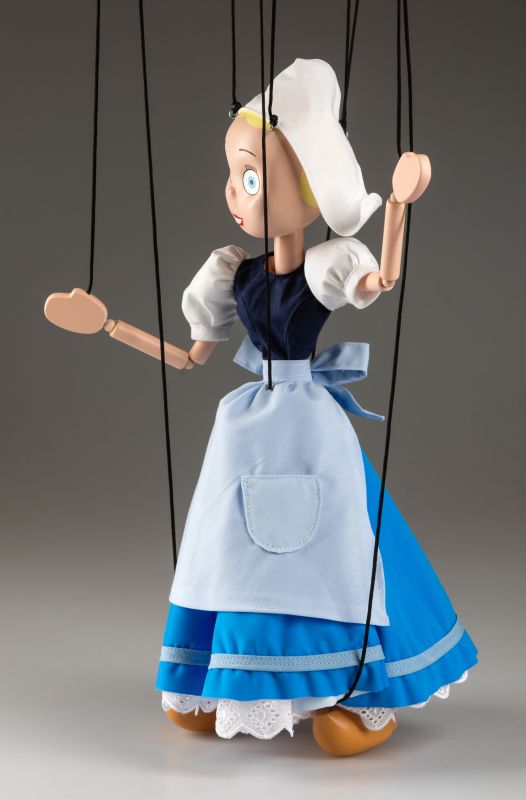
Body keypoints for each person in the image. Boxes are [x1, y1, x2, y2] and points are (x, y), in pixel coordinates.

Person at [44, 59, 477, 756]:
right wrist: (109, 325)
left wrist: (397, 207)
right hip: (247, 426)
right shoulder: (231, 271)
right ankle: (218, 675)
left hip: (307, 422)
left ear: (311, 188)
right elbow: (191, 357)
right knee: (227, 547)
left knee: (332, 546)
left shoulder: (326, 268)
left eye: (252, 178)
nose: (234, 193)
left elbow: (382, 280)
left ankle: (358, 691)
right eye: (234, 175)